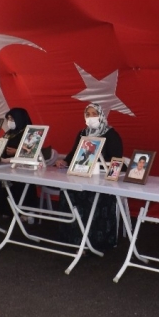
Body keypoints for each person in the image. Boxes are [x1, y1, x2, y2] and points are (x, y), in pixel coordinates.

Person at [55, 103, 123, 251]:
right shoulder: (82, 133)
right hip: (81, 174)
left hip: (102, 181)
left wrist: (98, 163)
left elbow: (117, 160)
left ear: (101, 116)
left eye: (94, 114)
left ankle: (92, 242)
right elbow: (74, 153)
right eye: (88, 114)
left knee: (89, 196)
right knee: (68, 191)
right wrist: (65, 161)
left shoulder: (111, 134)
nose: (91, 117)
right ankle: (71, 238)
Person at [0, 108, 38, 217]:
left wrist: (17, 151)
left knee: (15, 184)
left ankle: (19, 211)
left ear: (19, 118)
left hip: (22, 168)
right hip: (5, 165)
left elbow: (34, 152)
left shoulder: (31, 133)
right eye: (8, 119)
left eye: (12, 119)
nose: (10, 121)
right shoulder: (9, 133)